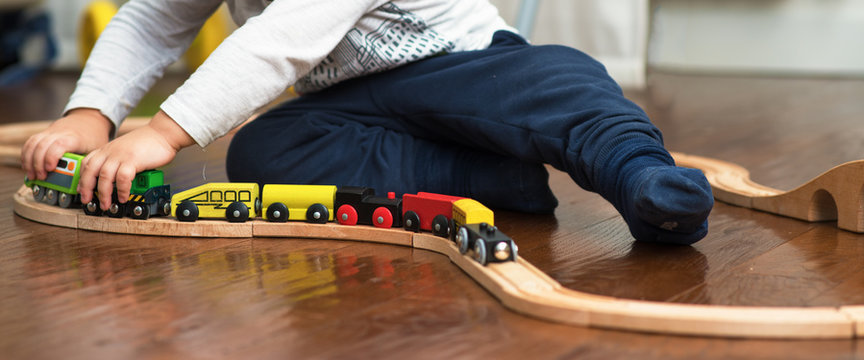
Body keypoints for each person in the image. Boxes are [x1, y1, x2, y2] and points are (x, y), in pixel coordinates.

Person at [20, 0, 714, 244]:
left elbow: (278, 40)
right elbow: (150, 19)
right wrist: (91, 114)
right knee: (267, 150)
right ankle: (490, 178)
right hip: (352, 106)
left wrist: (162, 132)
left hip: (468, 67)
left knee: (557, 79)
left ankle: (641, 177)